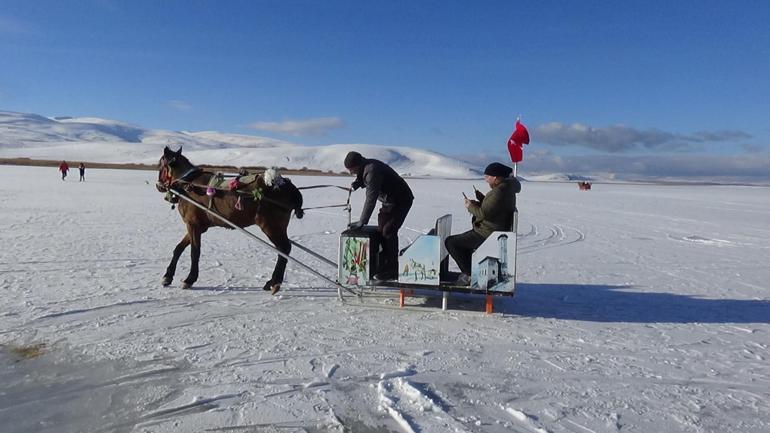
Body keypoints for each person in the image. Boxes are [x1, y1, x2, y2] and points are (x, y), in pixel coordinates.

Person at [445, 162, 521, 285]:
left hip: (488, 232)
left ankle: (470, 275)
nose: (486, 180)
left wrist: (470, 206)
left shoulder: (499, 191)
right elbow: (494, 208)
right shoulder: (506, 188)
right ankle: (473, 272)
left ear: (495, 177)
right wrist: (482, 199)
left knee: (451, 242)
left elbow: (483, 214)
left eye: (487, 177)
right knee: (460, 243)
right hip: (494, 228)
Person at [344, 151, 414, 281]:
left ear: (357, 165)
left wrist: (362, 221)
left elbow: (371, 198)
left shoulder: (372, 171)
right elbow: (362, 176)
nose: (350, 172)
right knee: (381, 229)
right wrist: (358, 183)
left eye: (351, 169)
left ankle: (392, 268)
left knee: (388, 230)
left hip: (400, 200)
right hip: (389, 201)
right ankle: (383, 264)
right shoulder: (366, 165)